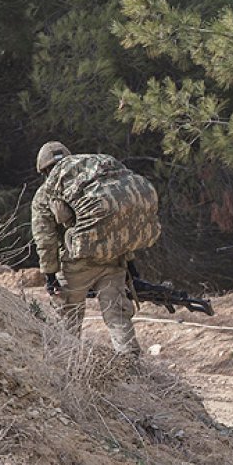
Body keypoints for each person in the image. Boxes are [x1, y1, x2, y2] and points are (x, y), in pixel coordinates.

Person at [31, 141, 161, 363]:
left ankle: (69, 365)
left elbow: (45, 238)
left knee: (68, 320)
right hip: (112, 260)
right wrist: (129, 264)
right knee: (118, 316)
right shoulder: (96, 182)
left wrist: (50, 274)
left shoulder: (46, 194)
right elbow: (118, 226)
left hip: (76, 265)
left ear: (44, 170)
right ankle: (131, 367)